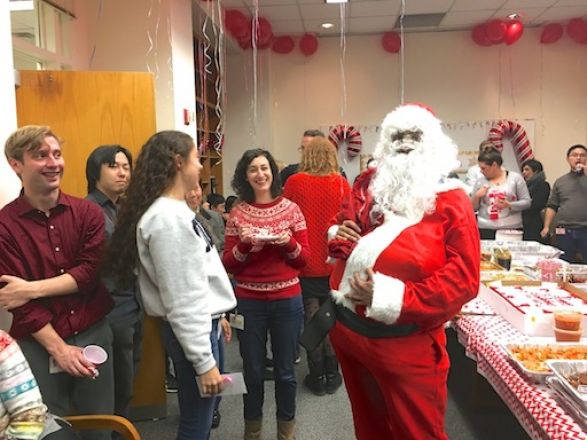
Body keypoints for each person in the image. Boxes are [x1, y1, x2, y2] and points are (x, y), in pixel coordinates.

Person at [328, 104, 480, 440]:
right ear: (386, 141)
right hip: (348, 333)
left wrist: (387, 295)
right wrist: (340, 234)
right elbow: (345, 221)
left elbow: (464, 279)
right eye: (398, 135)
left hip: (404, 343)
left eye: (415, 135)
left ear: (433, 143)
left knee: (417, 432)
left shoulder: (453, 201)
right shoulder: (370, 183)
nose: (406, 143)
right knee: (369, 427)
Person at [106, 130, 236, 440]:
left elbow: (197, 281)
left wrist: (218, 316)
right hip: (194, 329)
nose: (201, 167)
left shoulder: (176, 212)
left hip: (204, 323)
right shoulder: (167, 220)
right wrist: (204, 363)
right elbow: (182, 299)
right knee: (196, 421)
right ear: (179, 162)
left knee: (200, 417)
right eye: (195, 159)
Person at [0, 126, 114, 440]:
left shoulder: (88, 213)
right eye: (40, 155)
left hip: (94, 333)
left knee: (101, 428)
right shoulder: (4, 226)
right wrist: (60, 350)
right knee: (50, 430)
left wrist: (31, 288)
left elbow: (89, 275)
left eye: (57, 154)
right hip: (38, 343)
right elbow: (16, 301)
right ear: (16, 164)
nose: (53, 163)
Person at [222, 149, 309, 440]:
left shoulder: (292, 210)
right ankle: (253, 432)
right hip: (249, 303)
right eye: (253, 170)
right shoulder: (237, 213)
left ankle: (286, 433)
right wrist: (245, 245)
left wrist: (287, 242)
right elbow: (229, 264)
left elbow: (303, 260)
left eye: (264, 168)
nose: (260, 174)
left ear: (272, 171)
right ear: (245, 176)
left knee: (285, 372)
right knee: (253, 372)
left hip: (287, 300)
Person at [283, 137, 350, 396]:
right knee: (331, 321)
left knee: (311, 320)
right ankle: (333, 375)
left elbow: (285, 217)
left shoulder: (294, 183)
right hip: (333, 264)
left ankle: (316, 374)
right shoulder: (342, 184)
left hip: (305, 263)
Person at [85, 145, 143, 421]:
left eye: (125, 167)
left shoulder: (124, 209)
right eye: (113, 166)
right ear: (95, 172)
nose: (122, 172)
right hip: (109, 307)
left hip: (133, 303)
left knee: (128, 378)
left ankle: (121, 428)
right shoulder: (88, 210)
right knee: (113, 386)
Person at [185, 183, 231, 429]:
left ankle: (213, 410)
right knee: (198, 402)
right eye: (188, 188)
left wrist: (222, 314)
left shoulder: (205, 220)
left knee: (219, 374)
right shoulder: (175, 224)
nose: (194, 193)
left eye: (197, 189)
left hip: (214, 312)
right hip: (197, 317)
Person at [471, 147, 531, 239]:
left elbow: (527, 202)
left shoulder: (515, 178)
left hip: (511, 229)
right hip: (485, 228)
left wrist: (509, 204)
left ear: (494, 165)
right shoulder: (480, 181)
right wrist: (477, 196)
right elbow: (473, 208)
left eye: (484, 168)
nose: (481, 171)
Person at [541, 144, 587, 262]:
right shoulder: (561, 181)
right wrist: (546, 227)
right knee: (564, 264)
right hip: (564, 230)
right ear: (568, 159)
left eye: (582, 155)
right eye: (574, 155)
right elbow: (552, 206)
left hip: (585, 229)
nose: (578, 158)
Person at [185, 185, 225, 252]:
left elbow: (222, 244)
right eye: (189, 190)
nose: (193, 194)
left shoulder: (214, 216)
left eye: (196, 189)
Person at [520, 159, 550, 242]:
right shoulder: (523, 185)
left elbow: (537, 204)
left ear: (536, 171)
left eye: (527, 169)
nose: (524, 172)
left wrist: (518, 206)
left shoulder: (543, 185)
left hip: (534, 223)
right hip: (522, 223)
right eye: (523, 170)